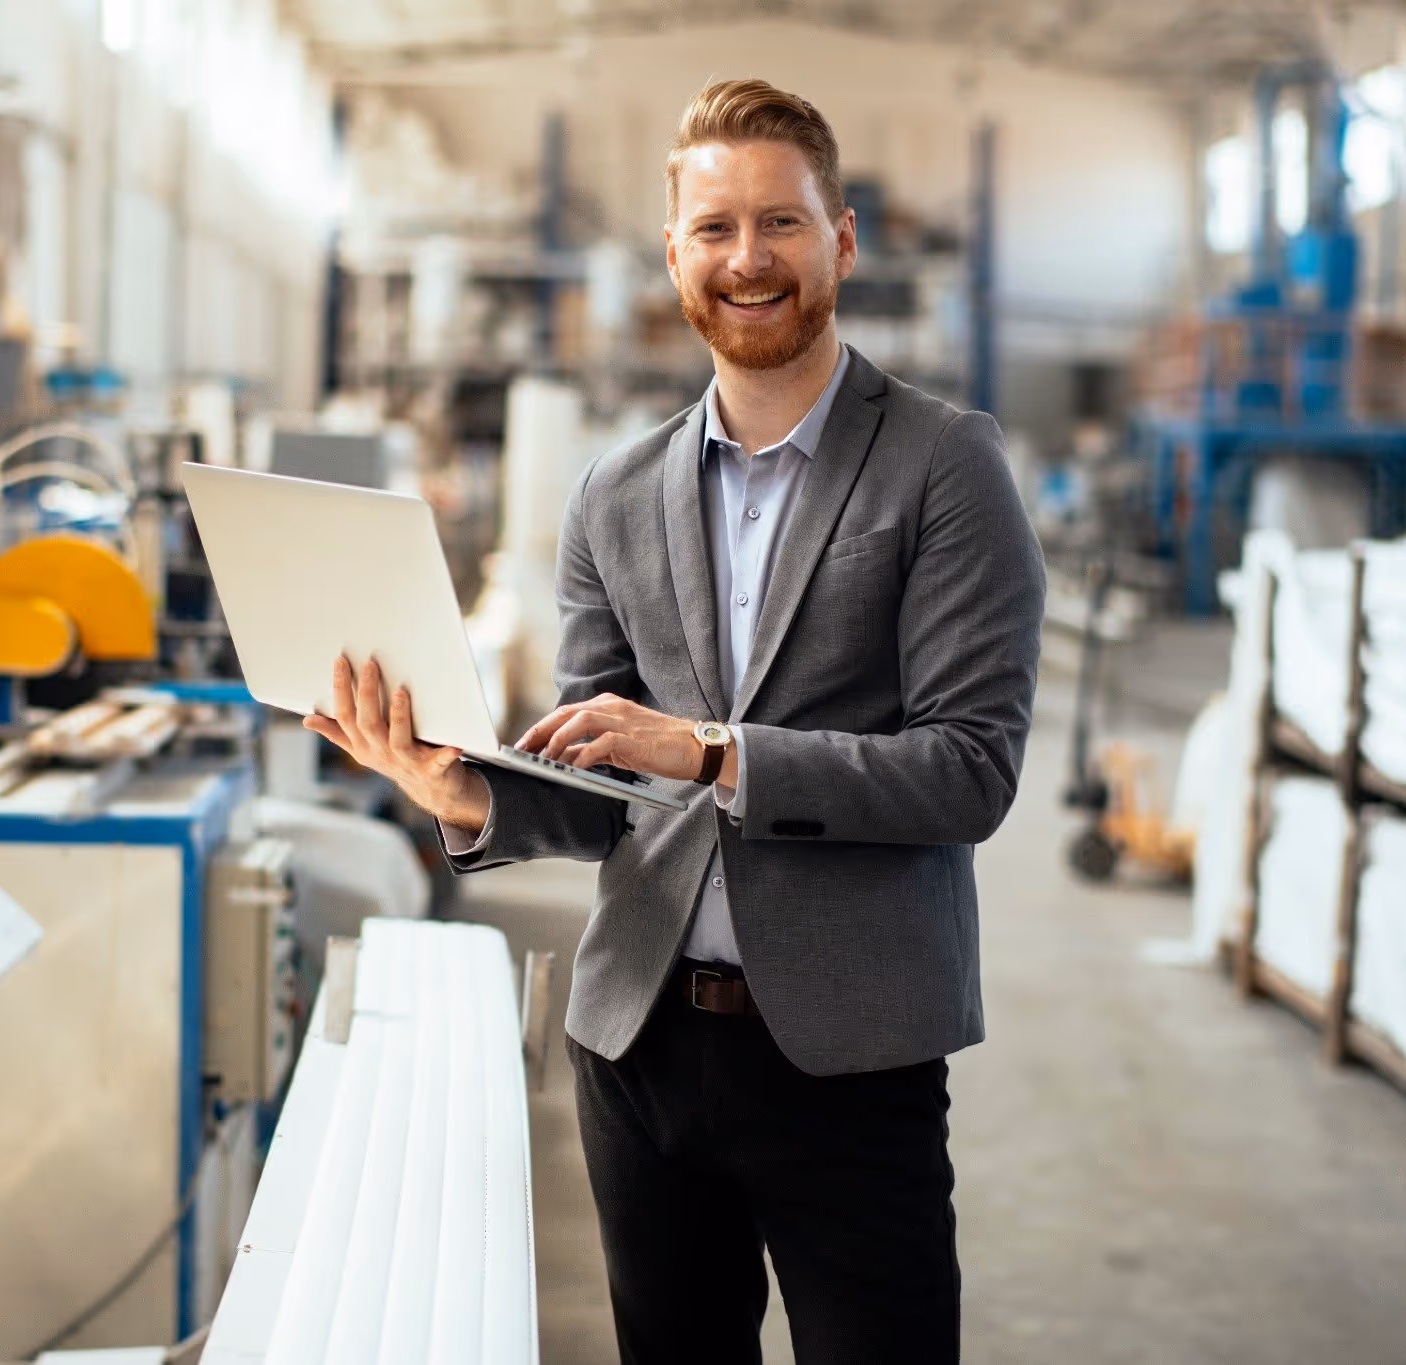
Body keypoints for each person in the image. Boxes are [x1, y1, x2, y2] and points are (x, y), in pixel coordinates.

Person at [302, 77, 1045, 1365]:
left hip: (849, 1052)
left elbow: (968, 773)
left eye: (781, 224)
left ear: (842, 240)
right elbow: (604, 789)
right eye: (714, 230)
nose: (747, 260)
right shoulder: (615, 491)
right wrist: (458, 790)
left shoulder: (944, 463)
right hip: (638, 1048)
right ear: (673, 257)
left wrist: (712, 751)